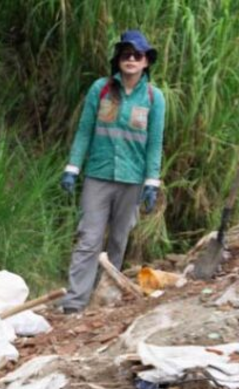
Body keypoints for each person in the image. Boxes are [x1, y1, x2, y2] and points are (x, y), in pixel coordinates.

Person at [58, 30, 165, 314]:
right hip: (98, 175)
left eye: (137, 55)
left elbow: (155, 143)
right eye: (125, 54)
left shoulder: (155, 98)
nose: (130, 59)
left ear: (146, 62)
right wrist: (72, 167)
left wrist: (152, 182)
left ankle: (105, 300)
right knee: (88, 239)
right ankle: (74, 303)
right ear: (118, 59)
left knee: (118, 241)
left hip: (132, 180)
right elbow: (84, 132)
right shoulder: (101, 89)